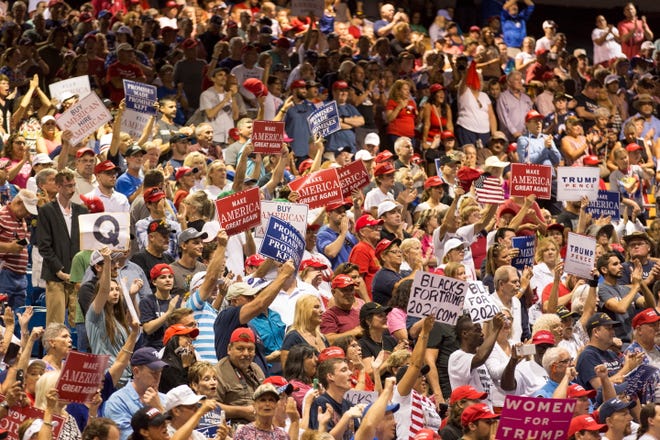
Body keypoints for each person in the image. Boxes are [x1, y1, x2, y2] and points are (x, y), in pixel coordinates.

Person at [36, 169, 88, 326]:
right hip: (55, 275)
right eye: (67, 186)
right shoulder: (46, 210)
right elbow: (44, 245)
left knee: (79, 323)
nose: (71, 190)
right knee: (55, 322)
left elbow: (85, 243)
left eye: (73, 186)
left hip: (77, 276)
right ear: (58, 187)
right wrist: (59, 270)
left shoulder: (81, 211)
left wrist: (79, 272)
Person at [103, 348, 169, 440]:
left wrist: (160, 408)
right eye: (153, 372)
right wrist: (159, 410)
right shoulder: (117, 402)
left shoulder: (165, 398)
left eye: (160, 371)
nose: (158, 377)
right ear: (136, 372)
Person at [448, 313, 507, 409]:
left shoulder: (480, 362)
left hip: (484, 414)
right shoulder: (456, 357)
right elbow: (481, 357)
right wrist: (495, 329)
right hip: (468, 416)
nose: (482, 334)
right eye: (477, 331)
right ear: (465, 334)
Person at [216, 327, 265, 426]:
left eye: (250, 349)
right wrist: (242, 412)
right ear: (229, 349)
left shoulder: (257, 369)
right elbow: (211, 406)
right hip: (233, 427)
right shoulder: (218, 371)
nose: (246, 353)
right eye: (240, 349)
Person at [0, 189, 37, 309]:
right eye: (26, 210)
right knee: (4, 317)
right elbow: (9, 246)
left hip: (20, 276)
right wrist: (8, 247)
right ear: (18, 202)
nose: (28, 214)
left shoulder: (21, 219)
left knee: (18, 317)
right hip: (5, 274)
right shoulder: (2, 216)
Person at [280, 294, 328, 367]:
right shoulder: (293, 337)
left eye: (320, 307)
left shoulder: (322, 337)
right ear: (304, 311)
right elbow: (286, 369)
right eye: (316, 307)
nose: (321, 310)